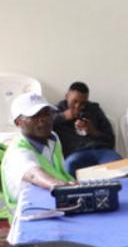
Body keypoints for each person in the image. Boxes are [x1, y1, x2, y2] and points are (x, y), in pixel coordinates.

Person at [3, 93, 75, 234]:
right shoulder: (17, 153)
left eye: (46, 113)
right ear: (18, 122)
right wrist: (60, 186)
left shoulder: (53, 138)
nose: (43, 119)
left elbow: (60, 170)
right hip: (31, 218)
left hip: (56, 204)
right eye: (34, 116)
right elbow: (34, 175)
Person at [52, 82, 121, 175]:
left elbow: (111, 140)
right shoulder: (55, 110)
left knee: (119, 165)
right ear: (67, 96)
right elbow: (42, 126)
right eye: (74, 101)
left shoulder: (94, 110)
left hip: (101, 150)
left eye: (83, 103)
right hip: (74, 153)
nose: (78, 106)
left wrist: (93, 132)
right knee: (68, 167)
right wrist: (63, 117)